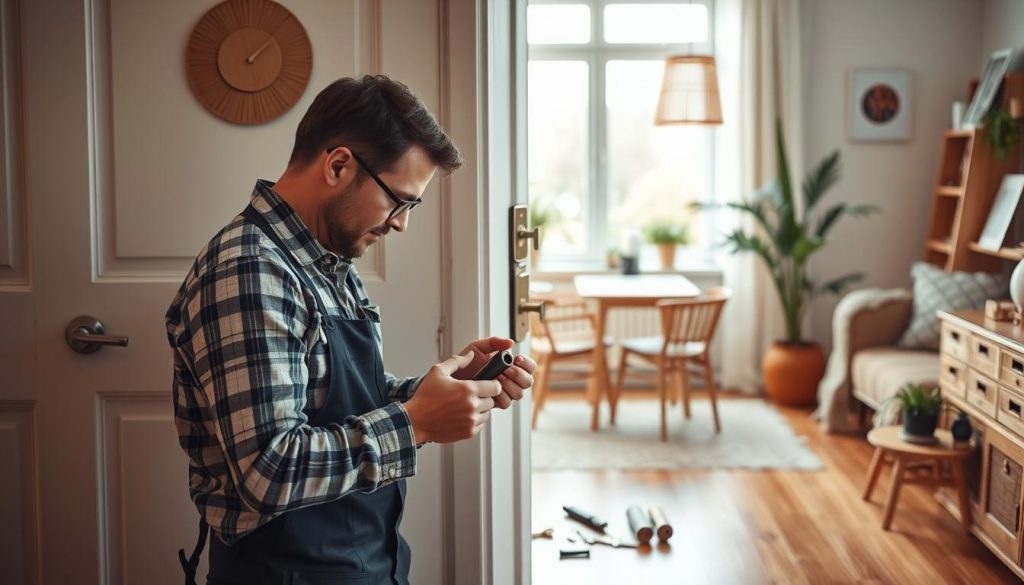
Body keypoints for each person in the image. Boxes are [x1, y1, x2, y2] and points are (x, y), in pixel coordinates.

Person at [165, 75, 536, 585]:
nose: (402, 223)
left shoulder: (327, 261)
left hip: (358, 559)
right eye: (398, 200)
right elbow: (267, 472)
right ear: (338, 165)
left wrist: (439, 391)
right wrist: (416, 423)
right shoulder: (249, 271)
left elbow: (335, 402)